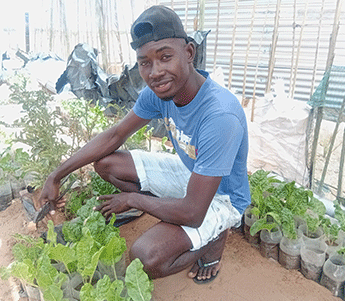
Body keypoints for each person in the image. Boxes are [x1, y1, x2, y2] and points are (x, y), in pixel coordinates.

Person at [39, 5, 251, 284]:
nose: (155, 72)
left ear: (188, 53)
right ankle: (167, 214)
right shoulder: (159, 93)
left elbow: (193, 212)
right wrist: (55, 175)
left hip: (222, 196)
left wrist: (133, 199)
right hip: (192, 173)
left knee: (144, 258)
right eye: (145, 62)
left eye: (165, 57)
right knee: (107, 162)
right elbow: (115, 136)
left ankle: (212, 241)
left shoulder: (219, 116)